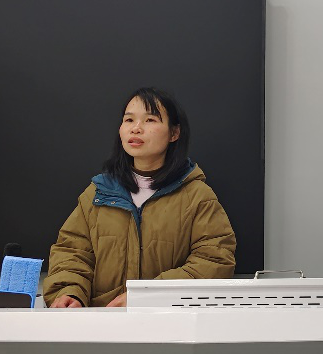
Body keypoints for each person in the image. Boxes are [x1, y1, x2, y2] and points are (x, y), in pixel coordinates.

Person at [43, 87, 236, 308]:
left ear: (174, 133)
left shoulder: (197, 196)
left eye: (150, 120)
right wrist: (71, 293)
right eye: (129, 120)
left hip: (168, 322)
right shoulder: (98, 193)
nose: (136, 128)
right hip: (102, 321)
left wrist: (147, 296)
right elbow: (71, 252)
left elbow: (214, 261)